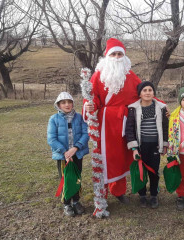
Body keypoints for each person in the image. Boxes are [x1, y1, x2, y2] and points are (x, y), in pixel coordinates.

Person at [83, 38, 142, 204]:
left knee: (121, 157)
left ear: (124, 56)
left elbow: (144, 93)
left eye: (120, 54)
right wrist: (89, 106)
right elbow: (91, 97)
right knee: (105, 157)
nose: (117, 57)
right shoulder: (98, 75)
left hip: (124, 123)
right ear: (107, 56)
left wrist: (160, 107)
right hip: (104, 124)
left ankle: (118, 191)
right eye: (114, 54)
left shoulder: (130, 76)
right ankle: (102, 192)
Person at [125, 81, 169, 209]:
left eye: (150, 90)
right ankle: (142, 195)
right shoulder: (133, 109)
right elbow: (129, 129)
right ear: (139, 94)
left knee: (154, 171)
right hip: (141, 146)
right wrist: (134, 148)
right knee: (141, 171)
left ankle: (154, 195)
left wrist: (165, 144)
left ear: (154, 93)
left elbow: (165, 127)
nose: (148, 92)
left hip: (155, 145)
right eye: (144, 90)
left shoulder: (161, 108)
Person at [47, 92, 89, 217]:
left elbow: (85, 134)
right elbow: (52, 139)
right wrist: (65, 152)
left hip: (77, 153)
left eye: (69, 102)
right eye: (63, 102)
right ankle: (67, 203)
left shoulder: (79, 118)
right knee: (66, 179)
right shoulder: (54, 119)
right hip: (63, 156)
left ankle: (76, 201)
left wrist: (76, 148)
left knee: (76, 177)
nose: (67, 105)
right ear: (58, 105)